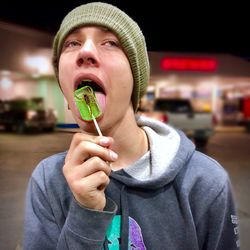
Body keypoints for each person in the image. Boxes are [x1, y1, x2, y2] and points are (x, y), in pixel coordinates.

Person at [23, 2, 240, 250]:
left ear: (135, 82)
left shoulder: (205, 183)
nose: (86, 51)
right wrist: (85, 214)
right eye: (72, 43)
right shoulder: (47, 180)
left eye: (110, 43)